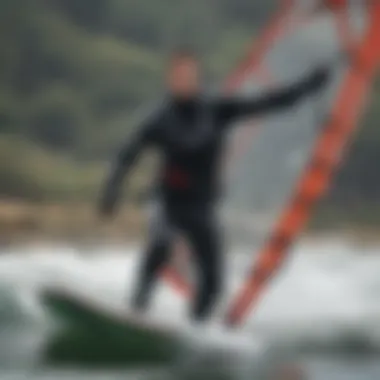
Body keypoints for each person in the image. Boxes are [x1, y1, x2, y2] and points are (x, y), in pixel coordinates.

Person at [99, 47, 329, 322]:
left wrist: (309, 85)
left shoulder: (216, 110)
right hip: (168, 201)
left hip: (200, 206)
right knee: (160, 242)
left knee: (214, 278)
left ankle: (195, 326)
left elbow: (268, 103)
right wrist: (112, 190)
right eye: (177, 75)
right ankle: (137, 308)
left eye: (188, 75)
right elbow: (127, 154)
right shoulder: (159, 118)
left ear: (197, 78)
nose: (182, 80)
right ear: (169, 80)